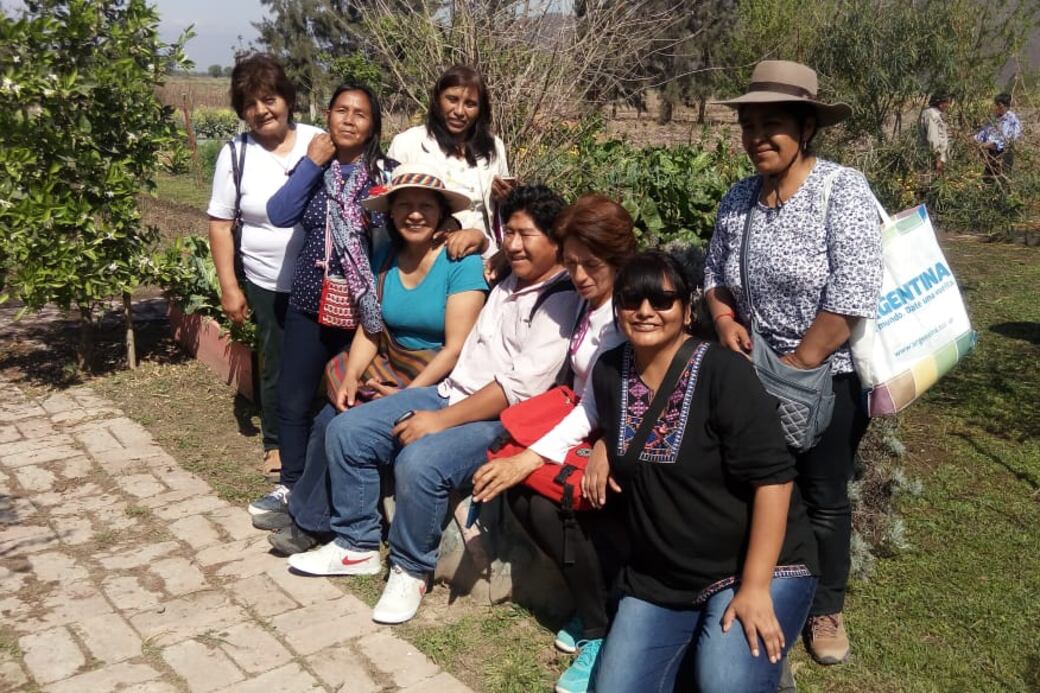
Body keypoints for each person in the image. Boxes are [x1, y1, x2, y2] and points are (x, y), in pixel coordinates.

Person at [287, 185, 583, 627]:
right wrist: (487, 244)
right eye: (510, 233)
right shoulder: (507, 274)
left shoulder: (561, 301)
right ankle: (357, 543)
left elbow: (515, 390)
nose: (515, 245)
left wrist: (438, 422)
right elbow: (475, 246)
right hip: (450, 391)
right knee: (347, 429)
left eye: (527, 235)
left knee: (421, 462)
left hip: (501, 420)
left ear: (557, 240)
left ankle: (410, 568)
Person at [706, 60, 883, 666]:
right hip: (752, 369)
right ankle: (766, 576)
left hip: (823, 377)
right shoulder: (737, 198)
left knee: (824, 491)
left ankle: (827, 606)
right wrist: (726, 320)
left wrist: (796, 364)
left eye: (772, 124)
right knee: (762, 481)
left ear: (806, 127)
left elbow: (853, 294)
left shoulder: (842, 189)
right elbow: (714, 277)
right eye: (749, 124)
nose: (757, 137)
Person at [588, 251, 819, 693]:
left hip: (752, 566)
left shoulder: (722, 371)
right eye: (631, 299)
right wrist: (602, 444)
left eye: (662, 300)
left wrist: (754, 588)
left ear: (687, 310)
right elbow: (620, 429)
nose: (645, 311)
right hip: (660, 576)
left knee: (724, 685)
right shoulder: (609, 372)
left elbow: (773, 478)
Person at [264, 163, 488, 554]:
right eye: (404, 206)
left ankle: (312, 522)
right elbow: (372, 327)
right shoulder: (384, 256)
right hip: (392, 361)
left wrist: (404, 399)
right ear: (391, 213)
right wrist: (352, 374)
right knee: (331, 414)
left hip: (437, 376)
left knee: (352, 424)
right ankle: (310, 513)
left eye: (425, 206)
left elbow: (456, 348)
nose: (414, 214)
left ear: (441, 215)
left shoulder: (460, 262)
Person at [467, 194, 635, 693]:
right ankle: (595, 611)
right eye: (573, 262)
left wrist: (531, 456)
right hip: (589, 427)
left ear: (619, 258)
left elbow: (602, 403)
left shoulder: (624, 314)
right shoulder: (592, 303)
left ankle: (600, 631)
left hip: (622, 438)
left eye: (592, 265)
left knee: (549, 506)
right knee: (518, 491)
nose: (579, 276)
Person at [246, 83, 392, 526]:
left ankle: (332, 492)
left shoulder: (385, 176)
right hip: (310, 301)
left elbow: (405, 230)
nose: (349, 119)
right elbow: (279, 212)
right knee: (293, 399)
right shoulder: (312, 169)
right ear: (326, 117)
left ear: (372, 127)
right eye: (341, 110)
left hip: (363, 312)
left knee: (347, 401)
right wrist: (311, 163)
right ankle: (291, 485)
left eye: (360, 114)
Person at [207, 54, 322, 477]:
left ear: (288, 99)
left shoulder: (319, 141)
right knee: (277, 361)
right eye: (250, 105)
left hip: (322, 278)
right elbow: (220, 226)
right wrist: (229, 286)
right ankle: (276, 441)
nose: (261, 111)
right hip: (266, 279)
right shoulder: (235, 155)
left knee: (323, 359)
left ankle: (320, 431)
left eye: (269, 99)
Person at [387, 65, 513, 260]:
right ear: (438, 99)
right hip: (426, 258)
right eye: (452, 99)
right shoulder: (407, 144)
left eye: (470, 104)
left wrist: (506, 197)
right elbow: (390, 205)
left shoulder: (493, 147)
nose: (459, 111)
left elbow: (501, 214)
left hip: (485, 256)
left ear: (480, 110)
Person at [975, 92, 1022, 180]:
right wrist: (975, 139)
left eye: (999, 105)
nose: (997, 107)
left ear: (1005, 106)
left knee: (1001, 179)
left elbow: (1005, 140)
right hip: (992, 154)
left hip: (1004, 154)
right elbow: (984, 132)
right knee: (987, 179)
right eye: (996, 105)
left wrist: (988, 144)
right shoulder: (994, 119)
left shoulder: (1011, 120)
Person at [919, 92, 950, 175]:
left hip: (936, 156)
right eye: (946, 102)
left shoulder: (935, 113)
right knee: (931, 179)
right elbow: (932, 138)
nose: (948, 105)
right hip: (933, 157)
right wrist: (937, 160)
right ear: (940, 103)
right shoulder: (932, 114)